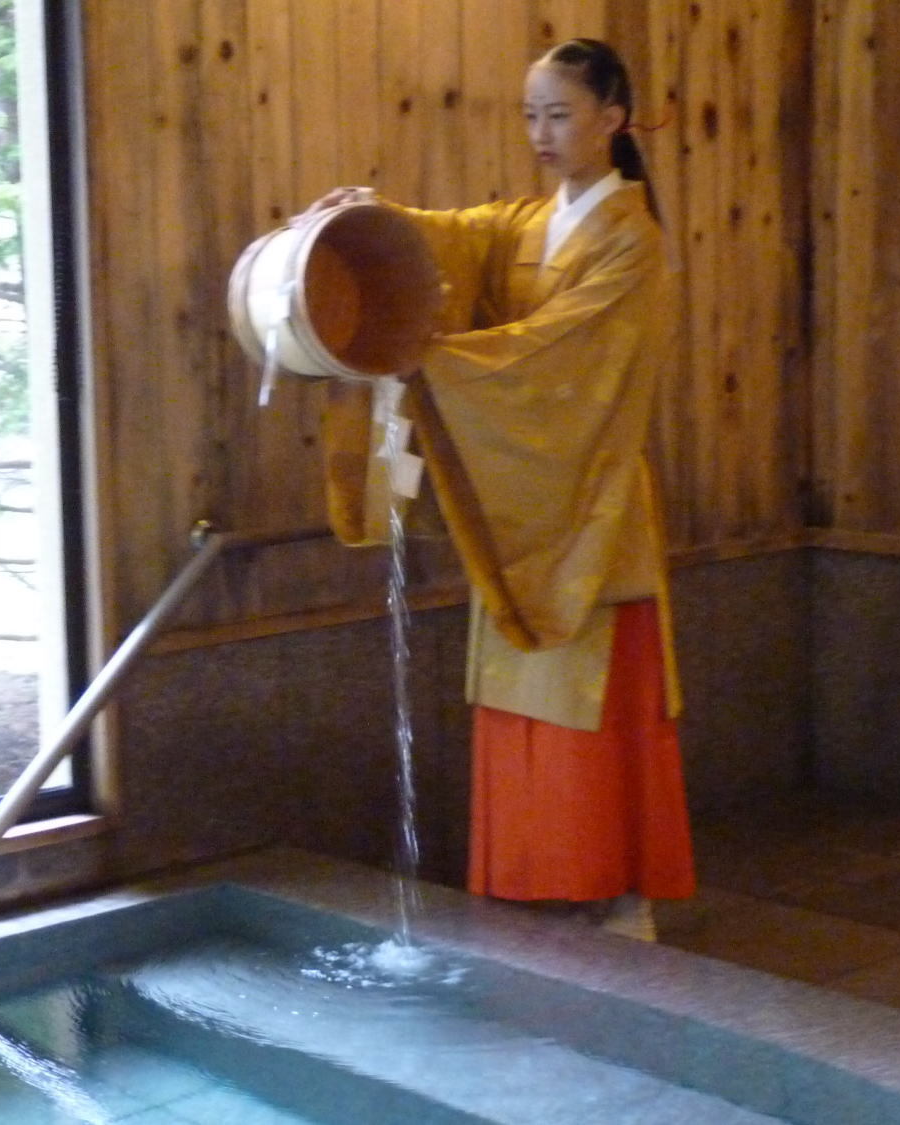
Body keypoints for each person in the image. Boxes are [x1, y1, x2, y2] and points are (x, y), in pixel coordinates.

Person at [313, 38, 693, 941]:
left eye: (560, 114)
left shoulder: (632, 243)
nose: (542, 133)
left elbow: (562, 356)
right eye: (531, 115)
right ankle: (538, 888)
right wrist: (367, 215)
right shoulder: (529, 223)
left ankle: (618, 887)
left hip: (590, 502)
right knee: (522, 701)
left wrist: (434, 360)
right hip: (524, 502)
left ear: (613, 119)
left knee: (589, 710)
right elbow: (450, 234)